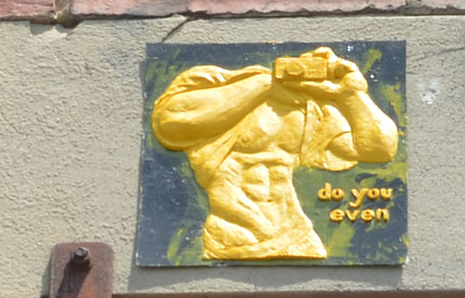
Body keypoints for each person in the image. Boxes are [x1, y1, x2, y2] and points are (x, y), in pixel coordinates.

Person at [152, 47, 398, 260]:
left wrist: (352, 95)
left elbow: (380, 150)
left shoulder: (304, 107)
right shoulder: (211, 84)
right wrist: (270, 80)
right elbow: (169, 122)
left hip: (297, 235)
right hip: (235, 236)